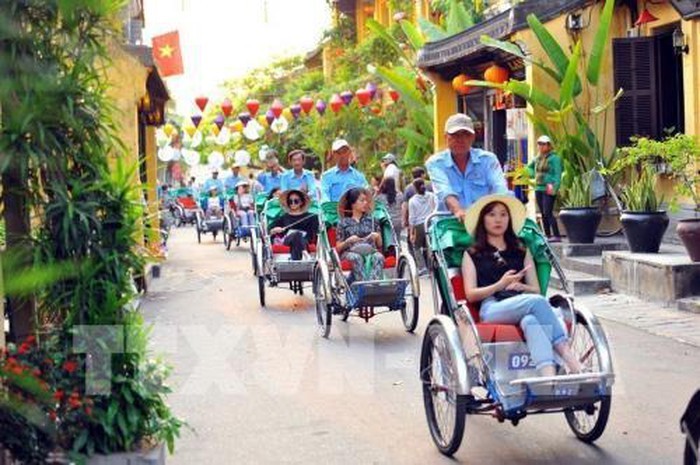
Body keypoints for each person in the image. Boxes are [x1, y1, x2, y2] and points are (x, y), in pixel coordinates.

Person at [461, 194, 582, 377]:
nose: (498, 220)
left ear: (509, 219)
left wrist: (521, 287)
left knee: (531, 321)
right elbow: (471, 294)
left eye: (503, 214)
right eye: (492, 215)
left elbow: (536, 291)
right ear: (483, 219)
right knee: (535, 302)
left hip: (522, 303)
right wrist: (500, 285)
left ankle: (547, 378)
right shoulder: (472, 254)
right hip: (492, 307)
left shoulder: (521, 250)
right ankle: (568, 355)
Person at [426, 113, 508, 221]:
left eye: (466, 134)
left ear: (473, 137)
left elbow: (499, 187)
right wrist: (458, 210)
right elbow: (444, 191)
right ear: (446, 137)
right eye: (455, 135)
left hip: (484, 222)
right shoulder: (435, 163)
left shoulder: (488, 159)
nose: (460, 139)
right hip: (449, 223)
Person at [336, 188, 384, 283]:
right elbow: (338, 248)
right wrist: (348, 241)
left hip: (370, 250)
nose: (365, 203)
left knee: (379, 257)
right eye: (362, 200)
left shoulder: (373, 220)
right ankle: (362, 286)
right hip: (350, 252)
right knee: (356, 258)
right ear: (353, 204)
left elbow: (380, 244)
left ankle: (373, 285)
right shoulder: (343, 223)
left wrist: (377, 237)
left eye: (366, 200)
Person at [527, 135, 562, 242]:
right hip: (539, 187)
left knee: (548, 211)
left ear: (548, 145)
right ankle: (547, 235)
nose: (541, 146)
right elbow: (529, 167)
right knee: (542, 213)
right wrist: (533, 175)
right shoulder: (537, 158)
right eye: (539, 144)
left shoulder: (555, 158)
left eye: (543, 144)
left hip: (549, 187)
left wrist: (555, 187)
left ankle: (557, 235)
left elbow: (557, 174)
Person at [268, 189, 319, 260]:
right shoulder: (284, 217)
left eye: (296, 201)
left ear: (301, 202)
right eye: (290, 202)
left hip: (305, 240)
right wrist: (274, 230)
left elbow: (314, 233)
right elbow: (269, 230)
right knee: (296, 234)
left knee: (298, 235)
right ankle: (304, 252)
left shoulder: (312, 217)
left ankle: (296, 259)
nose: (293, 204)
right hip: (287, 240)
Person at [408, 178, 437, 274]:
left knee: (416, 246)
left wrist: (411, 232)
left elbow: (412, 217)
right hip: (430, 221)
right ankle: (433, 264)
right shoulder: (431, 196)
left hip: (419, 225)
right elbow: (434, 208)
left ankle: (422, 267)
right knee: (430, 245)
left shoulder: (412, 201)